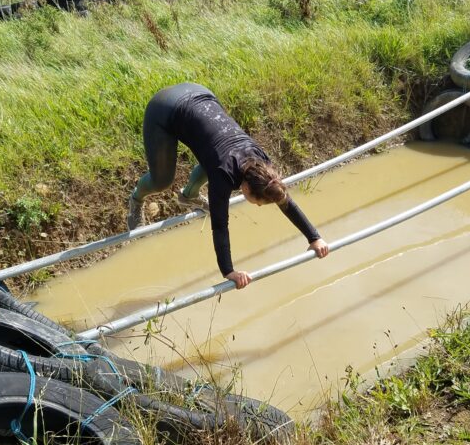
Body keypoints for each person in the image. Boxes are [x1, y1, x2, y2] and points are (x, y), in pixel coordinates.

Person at [127, 82, 329, 289]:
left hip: (199, 93)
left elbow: (286, 202)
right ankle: (135, 200)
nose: (258, 206)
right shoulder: (224, 176)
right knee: (162, 180)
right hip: (165, 109)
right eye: (258, 203)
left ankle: (188, 196)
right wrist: (229, 270)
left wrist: (315, 238)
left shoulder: (265, 169)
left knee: (211, 159)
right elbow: (220, 226)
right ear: (247, 189)